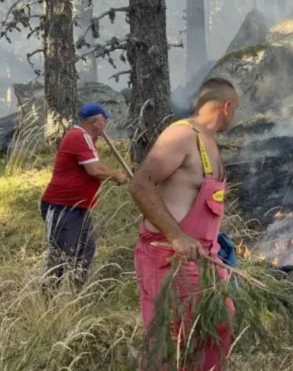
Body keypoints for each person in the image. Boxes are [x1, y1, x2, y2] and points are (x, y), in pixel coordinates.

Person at [129, 78, 239, 371]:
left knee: (218, 327)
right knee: (169, 344)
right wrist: (176, 235)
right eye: (235, 109)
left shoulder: (210, 144)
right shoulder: (181, 136)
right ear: (227, 107)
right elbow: (141, 184)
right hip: (168, 259)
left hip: (205, 260)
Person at [40, 102, 129, 289]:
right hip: (62, 207)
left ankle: (75, 292)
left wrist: (116, 173)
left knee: (85, 249)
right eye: (104, 120)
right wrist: (116, 177)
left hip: (78, 206)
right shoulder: (80, 136)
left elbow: (97, 165)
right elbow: (94, 170)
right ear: (95, 122)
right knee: (63, 255)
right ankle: (48, 298)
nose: (106, 125)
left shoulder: (85, 139)